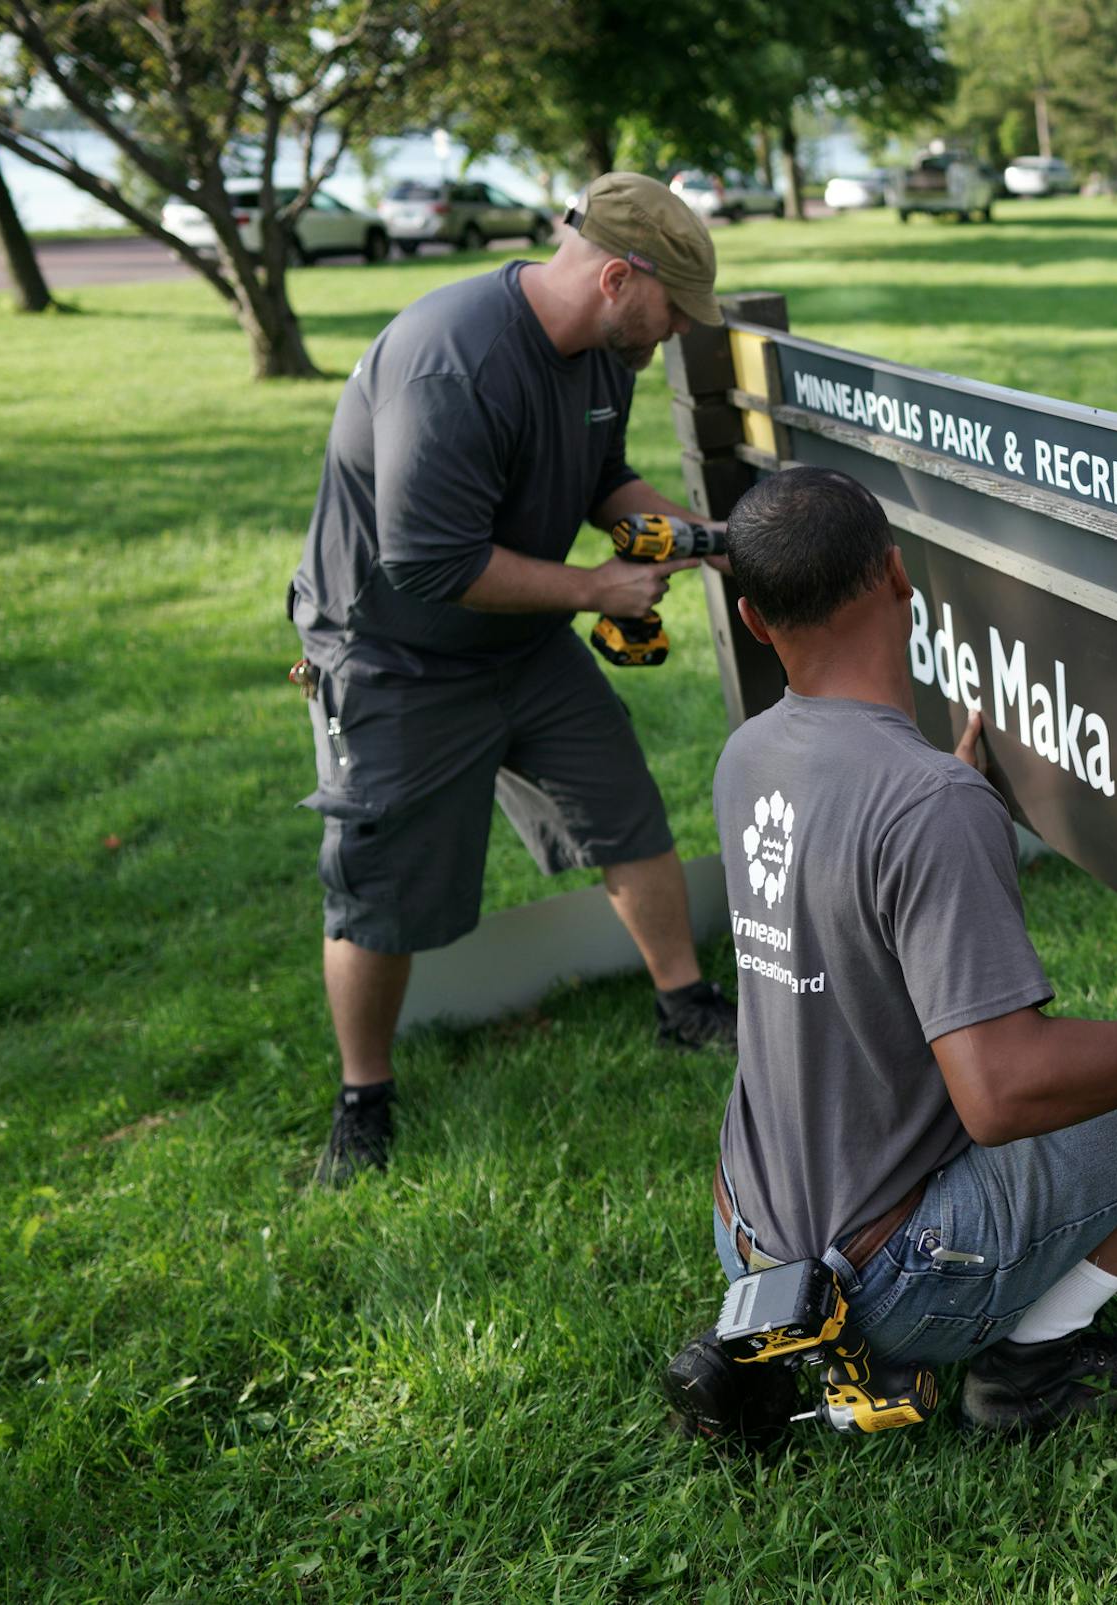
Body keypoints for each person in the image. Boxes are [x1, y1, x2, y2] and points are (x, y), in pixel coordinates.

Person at [662, 467, 1117, 1438]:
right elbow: (1000, 1094)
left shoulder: (748, 754)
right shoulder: (927, 805)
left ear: (753, 621)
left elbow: (853, 903)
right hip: (891, 1280)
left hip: (749, 1246)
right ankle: (1030, 1364)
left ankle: (837, 1333)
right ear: (896, 576)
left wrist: (950, 818)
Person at [288, 172, 738, 1187]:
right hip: (393, 657)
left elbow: (601, 479)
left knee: (625, 810)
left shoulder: (601, 352)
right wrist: (595, 589)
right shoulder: (452, 363)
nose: (673, 333)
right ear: (620, 278)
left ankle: (685, 1005)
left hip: (520, 642)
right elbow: (431, 563)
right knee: (379, 885)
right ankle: (365, 1097)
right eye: (673, 311)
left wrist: (715, 543)